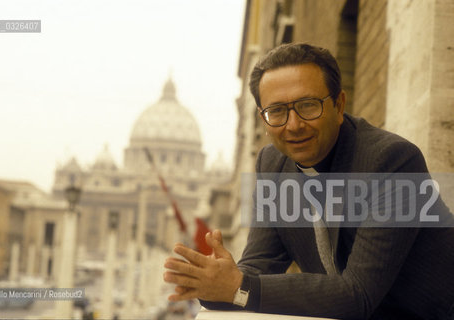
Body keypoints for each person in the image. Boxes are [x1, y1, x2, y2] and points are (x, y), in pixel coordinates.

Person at [163, 43, 454, 319]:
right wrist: (212, 282)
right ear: (263, 119)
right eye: (276, 111)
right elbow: (256, 269)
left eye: (308, 105)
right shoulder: (272, 165)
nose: (293, 125)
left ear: (339, 106)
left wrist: (238, 288)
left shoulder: (393, 161)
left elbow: (358, 294)